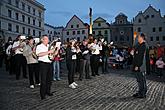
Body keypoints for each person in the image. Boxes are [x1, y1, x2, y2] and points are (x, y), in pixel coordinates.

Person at [36, 35, 54, 100]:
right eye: (46, 39)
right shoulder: (39, 46)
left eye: (48, 39)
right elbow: (38, 54)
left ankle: (47, 91)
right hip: (43, 64)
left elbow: (54, 54)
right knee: (43, 80)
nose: (48, 40)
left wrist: (57, 49)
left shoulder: (49, 46)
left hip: (50, 63)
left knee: (49, 79)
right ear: (42, 40)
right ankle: (42, 94)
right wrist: (49, 52)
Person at [132, 33, 147, 98]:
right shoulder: (139, 45)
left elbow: (141, 57)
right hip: (138, 65)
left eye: (138, 37)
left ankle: (142, 93)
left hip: (141, 66)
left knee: (141, 80)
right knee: (139, 80)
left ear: (142, 38)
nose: (137, 38)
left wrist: (137, 65)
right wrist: (133, 53)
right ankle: (140, 92)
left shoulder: (143, 45)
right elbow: (136, 54)